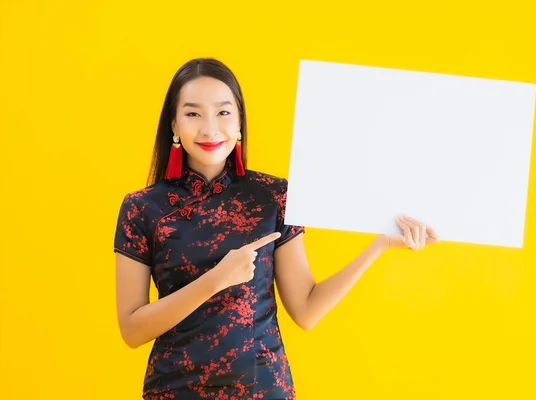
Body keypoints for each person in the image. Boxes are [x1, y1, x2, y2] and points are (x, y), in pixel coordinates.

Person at [113, 57, 438, 400]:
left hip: (264, 389)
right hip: (175, 391)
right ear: (174, 125)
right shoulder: (143, 208)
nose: (210, 128)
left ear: (239, 123)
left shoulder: (274, 196)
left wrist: (379, 246)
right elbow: (132, 330)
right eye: (193, 113)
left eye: (223, 112)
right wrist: (215, 279)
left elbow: (307, 310)